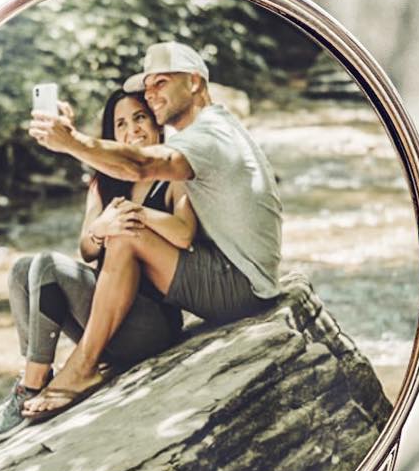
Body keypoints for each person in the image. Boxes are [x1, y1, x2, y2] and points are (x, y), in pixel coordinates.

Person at [20, 40, 283, 418]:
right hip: (236, 276)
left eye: (161, 82)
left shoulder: (208, 135)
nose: (151, 94)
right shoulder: (210, 128)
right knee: (64, 255)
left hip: (242, 286)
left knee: (127, 233)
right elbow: (90, 244)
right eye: (147, 87)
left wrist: (72, 142)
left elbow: (142, 166)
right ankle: (50, 372)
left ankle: (83, 367)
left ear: (194, 82)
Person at [0, 89, 197, 435]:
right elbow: (87, 250)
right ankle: (36, 372)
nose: (132, 129)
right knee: (22, 269)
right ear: (111, 135)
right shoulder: (104, 182)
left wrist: (136, 214)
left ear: (157, 124)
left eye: (140, 117)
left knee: (49, 265)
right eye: (121, 124)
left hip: (152, 325)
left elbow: (185, 234)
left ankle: (32, 386)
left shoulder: (172, 173)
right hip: (107, 321)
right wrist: (101, 229)